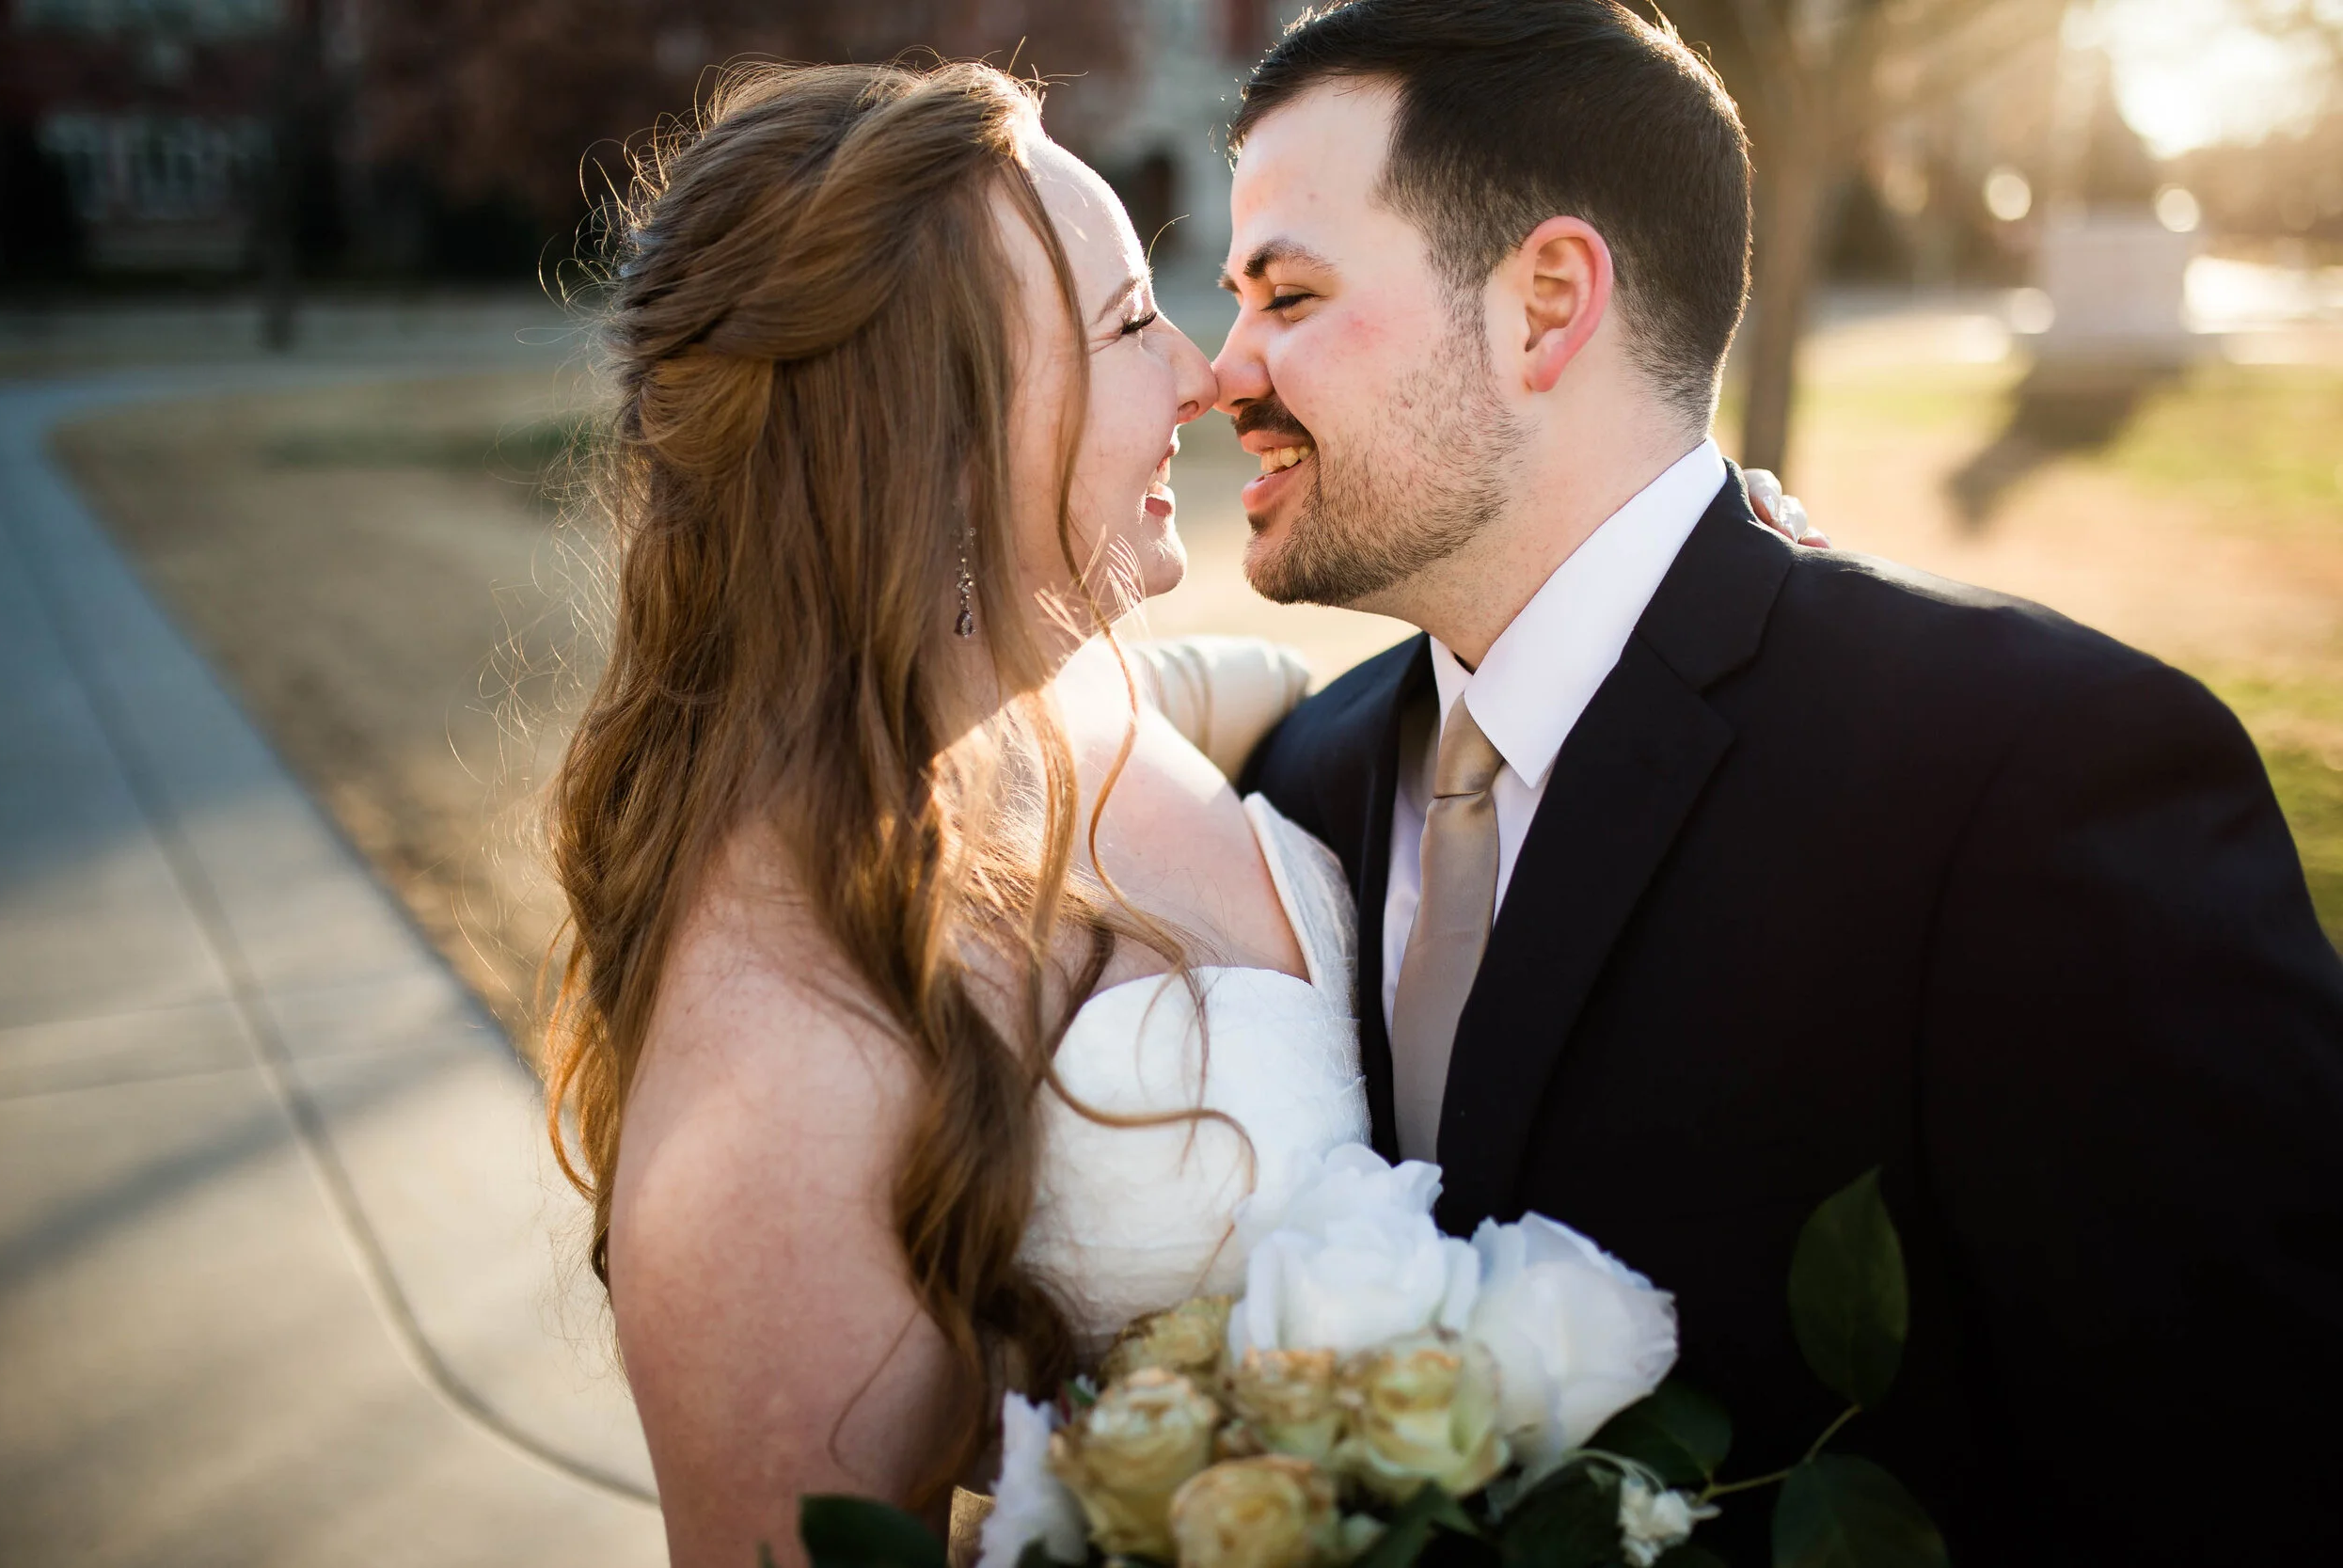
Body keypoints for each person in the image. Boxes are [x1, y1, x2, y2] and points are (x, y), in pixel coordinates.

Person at [544, 53, 1816, 1568]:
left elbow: (1352, 703)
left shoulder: (1100, 692)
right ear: (938, 439)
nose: (1205, 374)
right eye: (1133, 321)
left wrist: (1680, 595)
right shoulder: (776, 1058)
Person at [1220, 3, 2343, 1563]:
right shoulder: (1296, 777)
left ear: (1546, 304)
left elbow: (2247, 1477)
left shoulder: (2033, 779)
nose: (1225, 372)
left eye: (1287, 292)